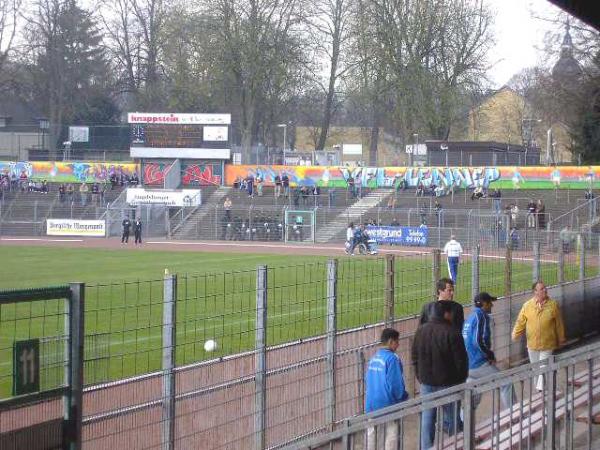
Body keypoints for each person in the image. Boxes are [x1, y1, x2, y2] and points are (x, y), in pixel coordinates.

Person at [412, 301, 468, 450]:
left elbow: (414, 358)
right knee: (452, 420)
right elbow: (461, 361)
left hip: (427, 384)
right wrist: (460, 380)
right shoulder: (452, 332)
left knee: (427, 419)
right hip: (449, 384)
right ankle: (456, 445)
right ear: (446, 314)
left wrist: (421, 377)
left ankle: (426, 448)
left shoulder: (421, 331)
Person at [463, 292, 515, 410]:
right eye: (490, 302)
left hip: (469, 365)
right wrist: (489, 354)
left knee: (473, 395)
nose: (492, 305)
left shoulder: (470, 318)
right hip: (479, 363)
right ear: (484, 304)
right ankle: (515, 416)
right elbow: (477, 341)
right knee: (506, 383)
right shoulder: (481, 316)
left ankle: (462, 423)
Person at [512, 281, 566, 391]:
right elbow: (520, 321)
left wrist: (561, 338)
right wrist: (515, 334)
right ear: (535, 292)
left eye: (545, 288)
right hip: (532, 345)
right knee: (536, 369)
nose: (545, 290)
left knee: (543, 368)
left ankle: (542, 391)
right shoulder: (527, 306)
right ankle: (540, 391)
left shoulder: (553, 305)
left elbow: (559, 323)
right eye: (541, 289)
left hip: (548, 344)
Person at [365, 328, 409, 449]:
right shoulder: (392, 358)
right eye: (397, 341)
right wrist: (404, 396)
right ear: (390, 341)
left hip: (371, 404)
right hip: (388, 404)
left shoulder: (374, 358)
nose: (398, 344)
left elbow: (367, 380)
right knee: (392, 433)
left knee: (372, 433)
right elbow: (396, 385)